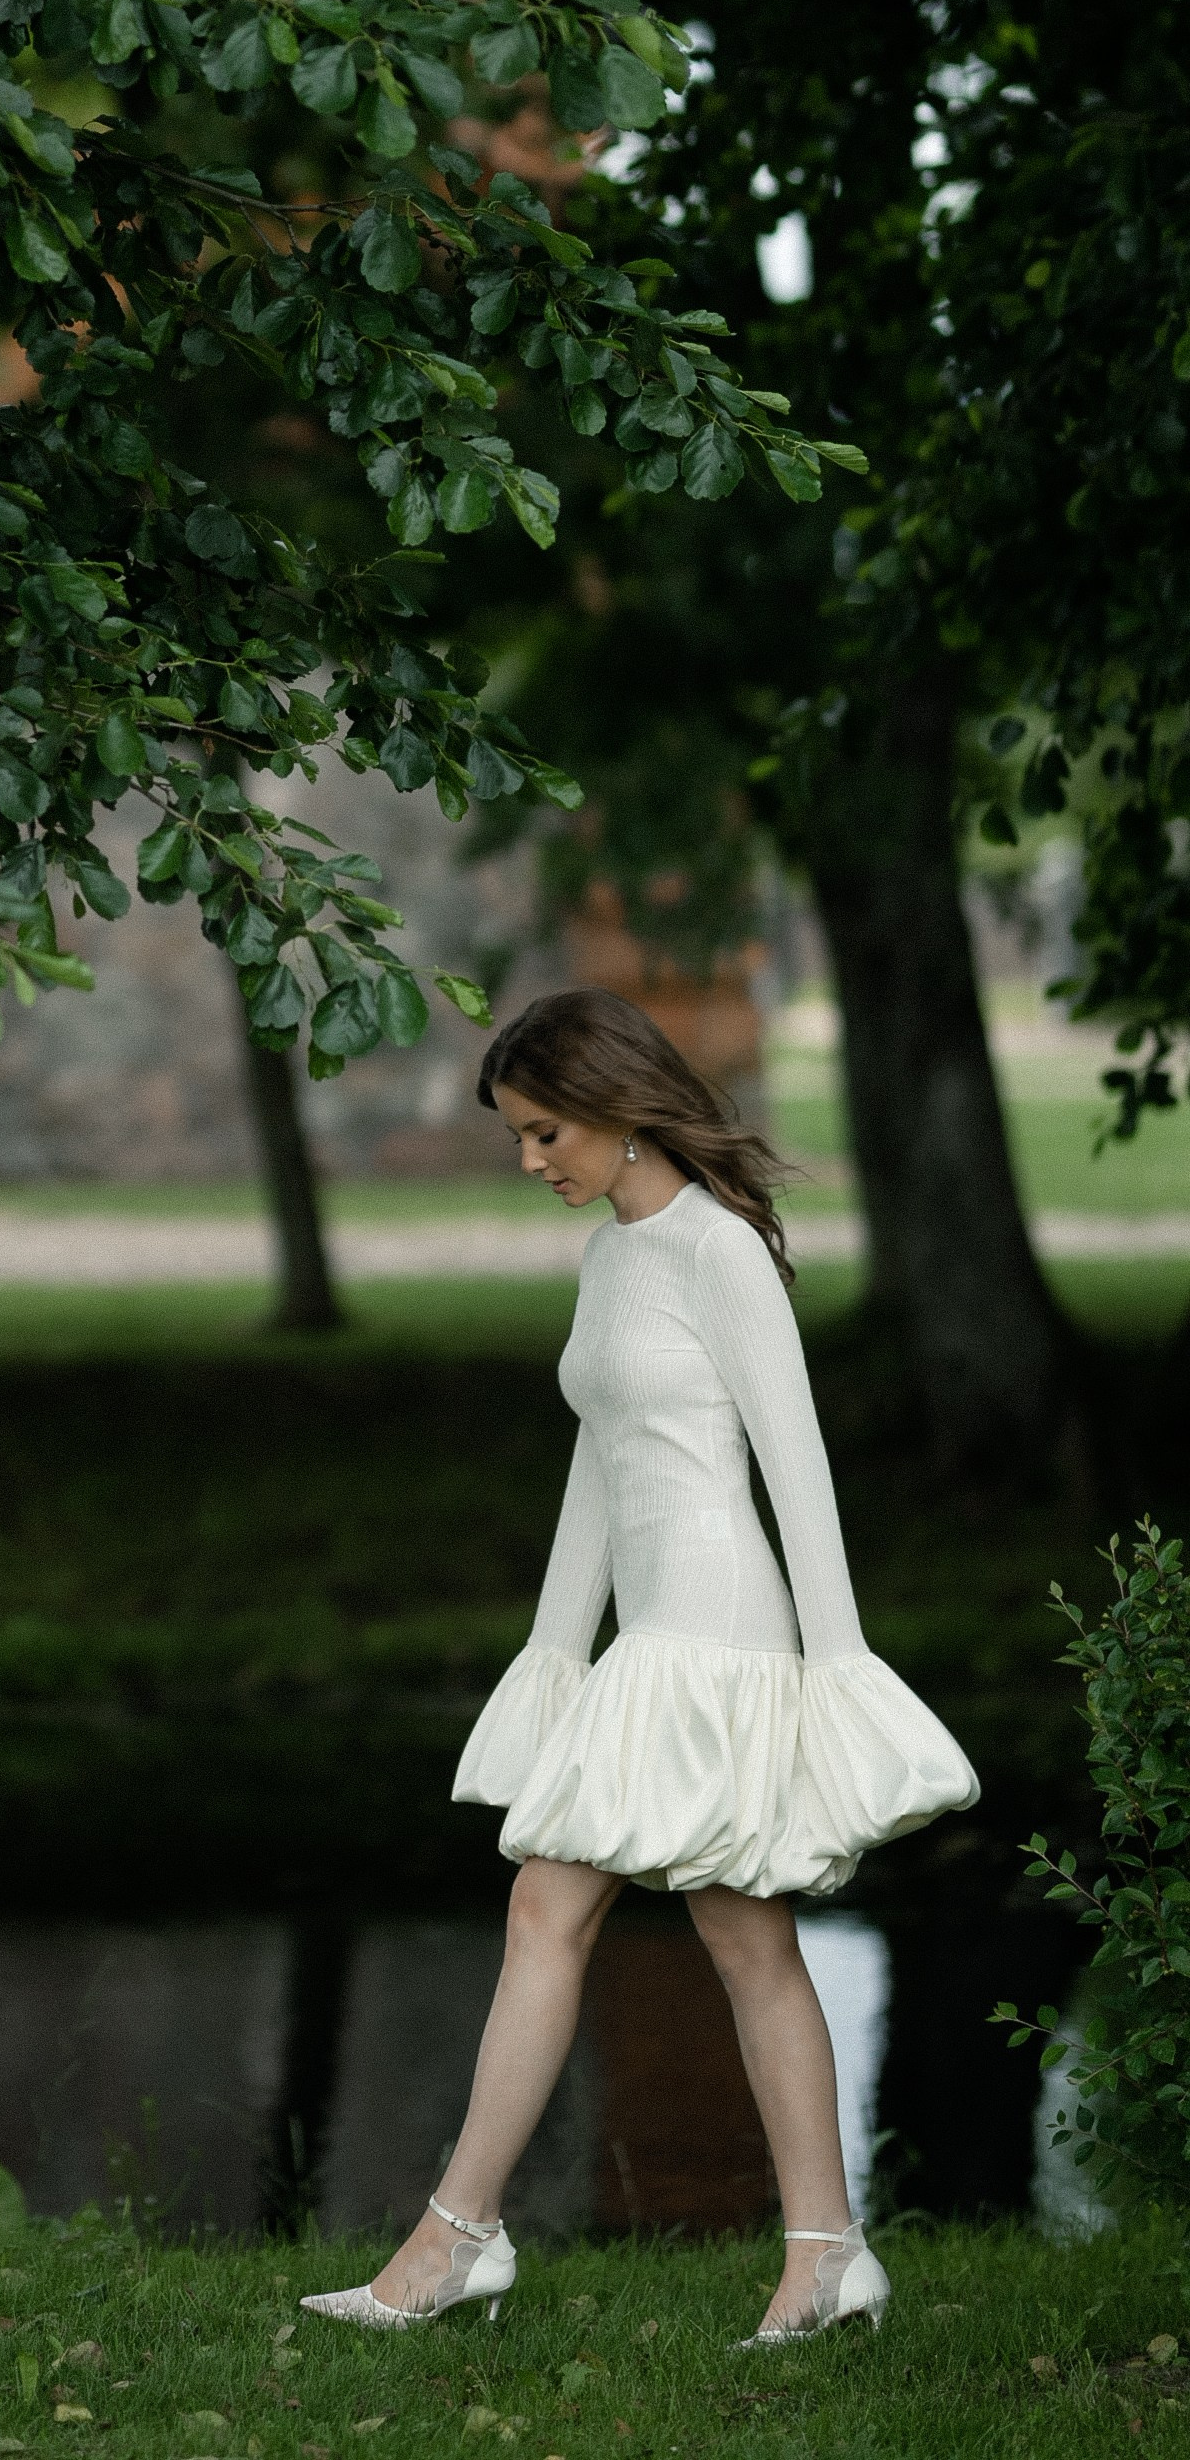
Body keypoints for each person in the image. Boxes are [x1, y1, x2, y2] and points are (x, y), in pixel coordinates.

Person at [303, 987, 977, 2347]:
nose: (531, 1161)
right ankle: (825, 2257)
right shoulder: (613, 1257)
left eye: (546, 1132)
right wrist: (556, 1652)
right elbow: (602, 1471)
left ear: (619, 1112)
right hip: (646, 1633)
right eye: (517, 1139)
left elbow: (798, 1472)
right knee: (740, 1941)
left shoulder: (718, 1255)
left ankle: (456, 2243)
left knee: (559, 1908)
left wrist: (836, 1673)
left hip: (718, 1632)